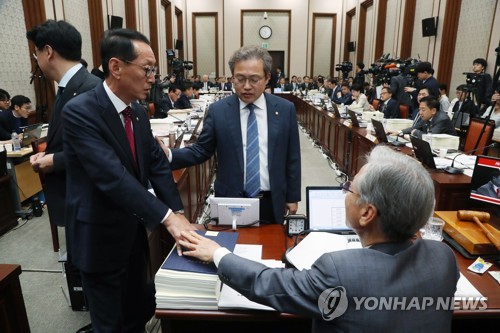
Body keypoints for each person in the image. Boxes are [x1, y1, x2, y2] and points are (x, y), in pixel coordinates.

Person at [178, 145, 459, 333]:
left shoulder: (339, 271)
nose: (345, 192)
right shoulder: (443, 257)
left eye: (349, 188)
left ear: (367, 213)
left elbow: (265, 283)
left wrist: (217, 253)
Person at [62, 28, 195, 333]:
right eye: (147, 69)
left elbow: (158, 166)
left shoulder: (136, 112)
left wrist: (178, 213)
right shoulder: (80, 112)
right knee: (110, 325)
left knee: (138, 311)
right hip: (99, 238)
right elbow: (113, 177)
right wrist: (166, 218)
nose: (153, 78)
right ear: (116, 67)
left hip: (133, 234)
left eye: (155, 71)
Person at [163, 45, 301, 224]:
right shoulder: (219, 111)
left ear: (267, 78)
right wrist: (169, 154)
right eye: (240, 79)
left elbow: (292, 156)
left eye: (254, 79)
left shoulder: (284, 109)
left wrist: (292, 196)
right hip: (231, 200)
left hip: (271, 198)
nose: (246, 86)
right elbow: (202, 150)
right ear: (232, 78)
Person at [27, 19, 101, 229]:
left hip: (89, 203)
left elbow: (101, 151)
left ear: (48, 52)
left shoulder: (89, 89)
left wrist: (54, 161)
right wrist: (50, 154)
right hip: (76, 201)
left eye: (36, 53)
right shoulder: (68, 88)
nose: (37, 59)